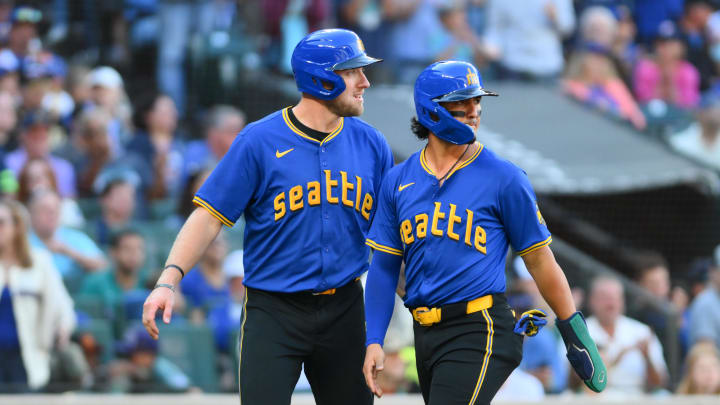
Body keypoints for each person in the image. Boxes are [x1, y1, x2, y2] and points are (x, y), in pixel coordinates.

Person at [142, 28, 392, 405]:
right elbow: (209, 217)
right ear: (322, 79)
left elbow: (392, 237)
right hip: (274, 311)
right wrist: (167, 280)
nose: (365, 82)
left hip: (345, 308)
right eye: (353, 71)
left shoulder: (371, 143)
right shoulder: (258, 140)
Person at [362, 60, 606, 405]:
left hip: (481, 327)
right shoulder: (398, 180)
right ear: (432, 109)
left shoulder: (504, 177)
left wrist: (572, 329)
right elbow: (384, 267)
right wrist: (374, 339)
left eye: (477, 101)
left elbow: (538, 259)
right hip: (425, 333)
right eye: (461, 102)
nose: (474, 109)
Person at [0, 198, 76, 392]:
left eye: (1, 223)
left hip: (27, 357)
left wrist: (63, 328)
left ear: (17, 226)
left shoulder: (40, 262)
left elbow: (63, 306)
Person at [585, 276, 668, 396]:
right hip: (595, 397)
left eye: (615, 298)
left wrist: (647, 358)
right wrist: (614, 359)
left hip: (638, 396)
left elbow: (660, 382)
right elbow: (568, 382)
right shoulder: (579, 331)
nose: (610, 304)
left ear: (622, 302)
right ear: (592, 301)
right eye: (604, 298)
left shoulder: (642, 331)